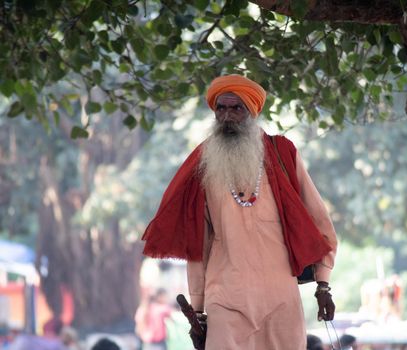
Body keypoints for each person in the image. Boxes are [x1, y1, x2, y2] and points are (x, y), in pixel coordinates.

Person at [142, 74, 338, 349]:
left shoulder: (283, 153)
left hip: (280, 295)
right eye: (221, 108)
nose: (227, 116)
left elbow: (320, 223)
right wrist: (197, 311)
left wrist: (323, 285)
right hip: (225, 296)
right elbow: (199, 244)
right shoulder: (202, 165)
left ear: (252, 112)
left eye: (237, 108)